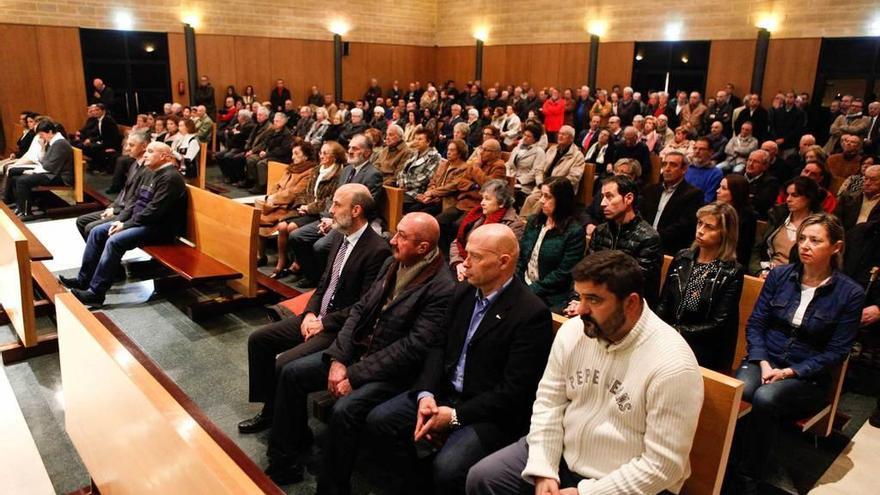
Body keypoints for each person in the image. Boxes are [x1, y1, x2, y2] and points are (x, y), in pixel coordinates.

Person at [467, 250, 704, 495]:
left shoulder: (673, 365)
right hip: (562, 457)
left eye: (594, 300)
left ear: (630, 302)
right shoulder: (574, 332)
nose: (581, 310)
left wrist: (586, 493)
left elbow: (663, 467)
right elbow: (549, 402)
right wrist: (543, 467)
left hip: (621, 478)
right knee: (483, 478)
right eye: (579, 297)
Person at [265, 213, 455, 492]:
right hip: (359, 353)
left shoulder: (441, 286)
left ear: (423, 248)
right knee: (291, 372)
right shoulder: (393, 263)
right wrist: (338, 358)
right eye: (396, 233)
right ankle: (284, 460)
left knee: (345, 410)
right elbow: (359, 311)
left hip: (394, 372)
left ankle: (331, 488)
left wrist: (353, 374)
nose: (393, 240)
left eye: (402, 236)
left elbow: (412, 348)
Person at [367, 224, 553, 494]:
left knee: (449, 467)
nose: (465, 263)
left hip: (488, 413)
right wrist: (427, 395)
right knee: (381, 421)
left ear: (503, 262)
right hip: (444, 394)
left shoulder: (531, 314)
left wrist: (454, 417)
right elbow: (437, 346)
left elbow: (513, 393)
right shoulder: (464, 292)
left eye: (475, 257)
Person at [239, 183, 391, 434]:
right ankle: (270, 408)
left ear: (356, 210)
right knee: (259, 339)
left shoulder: (377, 250)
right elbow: (323, 285)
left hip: (340, 328)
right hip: (318, 316)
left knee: (285, 364)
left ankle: (295, 430)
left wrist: (323, 323)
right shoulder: (341, 239)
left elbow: (364, 306)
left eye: (337, 205)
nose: (331, 210)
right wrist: (310, 313)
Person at [735, 213, 863, 491]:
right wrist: (764, 362)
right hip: (766, 360)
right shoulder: (781, 276)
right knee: (742, 389)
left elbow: (837, 351)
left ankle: (750, 473)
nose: (805, 245)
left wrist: (791, 371)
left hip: (806, 375)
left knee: (766, 397)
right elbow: (757, 323)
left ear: (836, 247)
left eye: (815, 240)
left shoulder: (850, 293)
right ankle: (728, 457)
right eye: (802, 238)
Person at [59, 142, 187, 306]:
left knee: (114, 240)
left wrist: (126, 226)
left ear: (163, 156)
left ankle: (96, 293)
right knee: (97, 232)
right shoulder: (151, 172)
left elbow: (154, 211)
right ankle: (84, 280)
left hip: (159, 228)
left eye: (150, 151)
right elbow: (134, 202)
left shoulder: (171, 178)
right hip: (142, 222)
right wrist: (121, 220)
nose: (145, 154)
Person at [656, 202, 745, 371]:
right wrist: (658, 328)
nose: (701, 230)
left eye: (709, 227)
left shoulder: (731, 272)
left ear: (724, 234)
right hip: (669, 336)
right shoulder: (683, 257)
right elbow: (664, 302)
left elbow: (718, 324)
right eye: (699, 223)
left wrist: (678, 332)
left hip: (702, 346)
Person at [288, 134, 383, 285]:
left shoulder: (373, 175)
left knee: (321, 246)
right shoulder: (346, 170)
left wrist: (333, 221)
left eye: (355, 148)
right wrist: (328, 217)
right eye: (349, 147)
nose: (350, 151)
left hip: (351, 223)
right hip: (333, 218)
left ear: (367, 153)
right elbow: (334, 198)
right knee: (296, 236)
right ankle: (312, 276)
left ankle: (327, 282)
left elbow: (365, 208)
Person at [271, 141, 345, 278]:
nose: (321, 156)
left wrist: (309, 208)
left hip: (320, 213)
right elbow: (306, 192)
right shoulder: (317, 169)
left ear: (334, 158)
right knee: (282, 226)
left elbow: (329, 201)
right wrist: (302, 206)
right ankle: (282, 261)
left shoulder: (338, 175)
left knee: (292, 227)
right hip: (306, 209)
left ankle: (298, 263)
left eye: (325, 153)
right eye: (320, 152)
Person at [590, 175, 664, 306]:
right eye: (603, 197)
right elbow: (587, 271)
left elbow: (634, 285)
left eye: (609, 196)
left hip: (629, 307)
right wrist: (577, 299)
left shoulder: (648, 238)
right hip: (599, 299)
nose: (602, 203)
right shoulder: (600, 231)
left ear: (628, 198)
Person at [516, 178, 585, 310]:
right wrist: (517, 284)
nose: (541, 200)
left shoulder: (574, 231)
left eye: (547, 197)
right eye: (541, 195)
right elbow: (521, 259)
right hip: (523, 285)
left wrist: (529, 291)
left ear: (561, 200)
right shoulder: (534, 222)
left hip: (551, 295)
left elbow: (563, 274)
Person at [76, 133, 150, 239]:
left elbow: (136, 200)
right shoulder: (135, 164)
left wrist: (116, 211)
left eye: (132, 145)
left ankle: (101, 253)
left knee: (91, 228)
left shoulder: (147, 170)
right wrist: (111, 207)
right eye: (127, 145)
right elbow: (124, 191)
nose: (127, 148)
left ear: (144, 146)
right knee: (81, 221)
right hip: (119, 207)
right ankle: (99, 252)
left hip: (127, 212)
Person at [450, 179, 524, 280]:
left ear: (501, 203)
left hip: (487, 276)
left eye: (487, 199)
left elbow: (500, 261)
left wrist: (470, 270)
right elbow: (457, 242)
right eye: (482, 198)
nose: (482, 203)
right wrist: (458, 263)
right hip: (464, 265)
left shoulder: (513, 225)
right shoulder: (479, 215)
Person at [753, 176, 824, 275]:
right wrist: (758, 272)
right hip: (768, 271)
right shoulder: (777, 215)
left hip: (797, 276)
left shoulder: (819, 225)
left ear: (809, 198)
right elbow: (757, 249)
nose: (788, 199)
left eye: (794, 195)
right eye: (788, 195)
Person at [4, 120, 73, 218]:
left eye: (42, 134)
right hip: (52, 172)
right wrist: (42, 148)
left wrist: (33, 172)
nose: (41, 137)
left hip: (60, 176)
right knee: (16, 177)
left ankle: (26, 212)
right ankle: (21, 207)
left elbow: (50, 166)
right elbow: (46, 162)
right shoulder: (53, 141)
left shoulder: (60, 143)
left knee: (22, 181)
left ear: (49, 132)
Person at [640, 150, 705, 255]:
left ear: (684, 169)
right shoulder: (650, 190)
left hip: (670, 248)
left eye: (673, 165)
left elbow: (684, 225)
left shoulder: (693, 194)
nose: (667, 169)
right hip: (643, 243)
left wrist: (653, 237)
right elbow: (641, 215)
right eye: (664, 164)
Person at [717, 174, 758, 266]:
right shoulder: (714, 209)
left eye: (723, 188)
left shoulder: (748, 217)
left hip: (730, 262)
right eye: (719, 187)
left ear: (735, 192)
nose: (718, 191)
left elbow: (742, 249)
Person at [398, 129, 441, 212]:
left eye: (420, 139)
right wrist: (401, 182)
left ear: (428, 142)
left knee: (393, 200)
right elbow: (401, 171)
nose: (416, 141)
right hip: (404, 189)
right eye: (415, 139)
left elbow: (425, 178)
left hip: (418, 193)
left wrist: (405, 185)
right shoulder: (414, 153)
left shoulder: (434, 157)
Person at [505, 124, 546, 207]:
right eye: (524, 135)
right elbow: (509, 164)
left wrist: (519, 180)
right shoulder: (517, 148)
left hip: (525, 185)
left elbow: (535, 171)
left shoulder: (539, 152)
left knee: (509, 194)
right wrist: (507, 175)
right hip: (511, 179)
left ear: (535, 139)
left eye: (528, 136)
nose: (525, 137)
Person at [745, 149, 781, 220]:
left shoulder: (771, 182)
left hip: (754, 219)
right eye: (749, 160)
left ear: (765, 166)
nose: (750, 164)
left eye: (756, 162)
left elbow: (761, 205)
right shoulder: (737, 176)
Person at [686, 137, 723, 203]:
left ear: (710, 152)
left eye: (702, 149)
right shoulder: (686, 168)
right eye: (695, 148)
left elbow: (708, 199)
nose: (697, 152)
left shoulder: (716, 173)